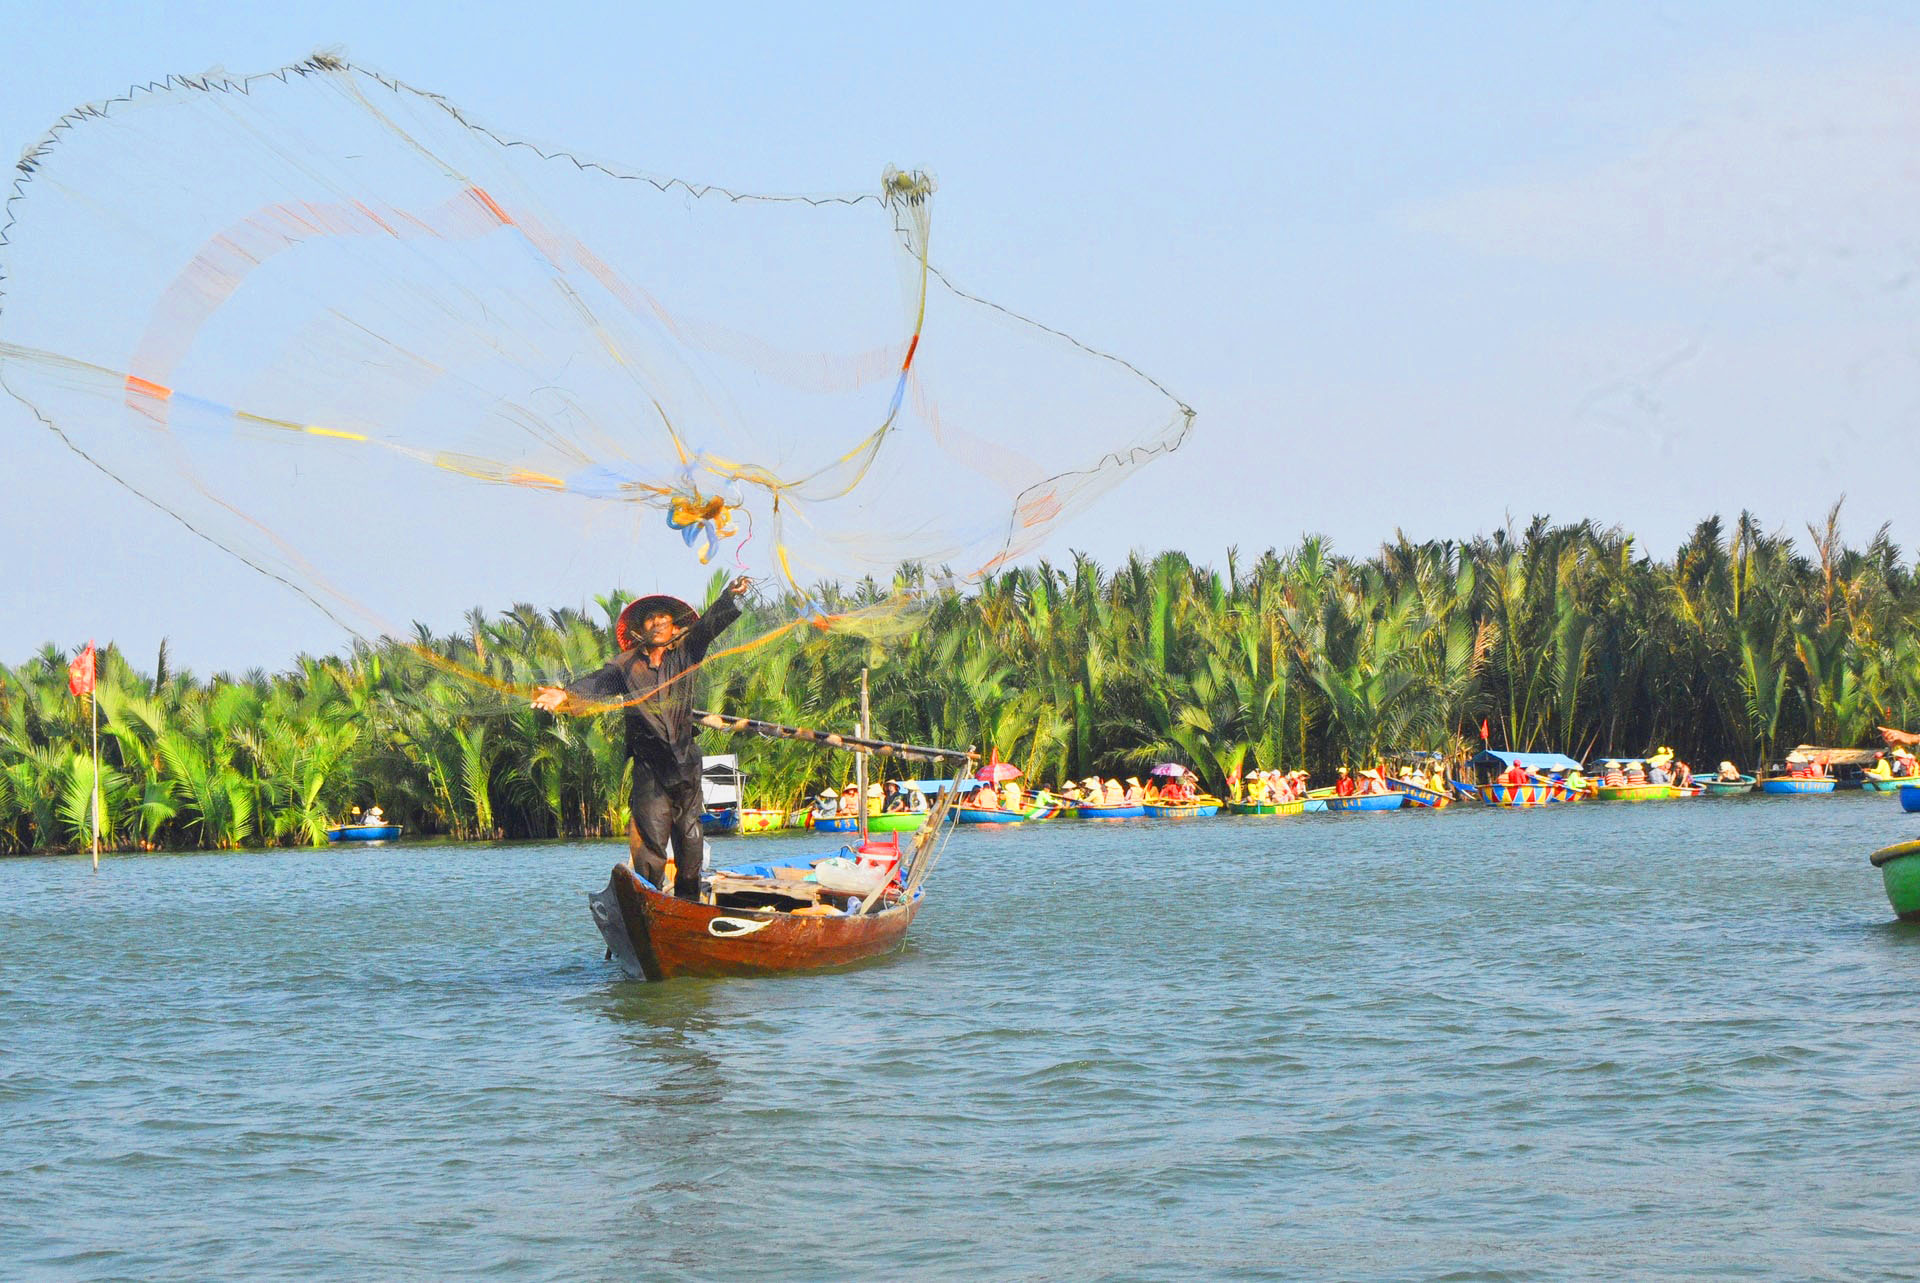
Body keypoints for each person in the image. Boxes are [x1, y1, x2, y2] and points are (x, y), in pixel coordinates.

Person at [533, 577, 749, 900]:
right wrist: (565, 695)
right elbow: (599, 683)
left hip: (686, 765)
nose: (657, 623)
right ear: (639, 629)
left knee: (691, 841)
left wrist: (730, 596)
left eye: (663, 617)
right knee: (650, 844)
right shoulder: (626, 665)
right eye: (650, 618)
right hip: (650, 769)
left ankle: (688, 903)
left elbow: (708, 626)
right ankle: (650, 902)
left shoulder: (687, 651)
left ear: (674, 626)